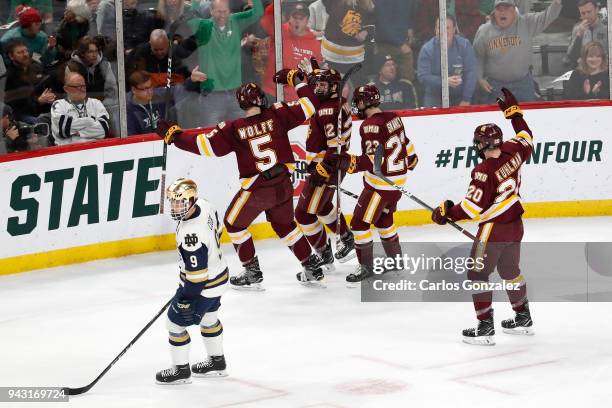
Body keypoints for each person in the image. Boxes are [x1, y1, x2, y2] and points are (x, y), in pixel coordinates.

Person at [156, 70, 325, 290]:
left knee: (234, 224)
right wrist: (297, 81)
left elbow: (203, 145)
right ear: (261, 99)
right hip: (284, 184)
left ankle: (252, 272)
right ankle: (311, 265)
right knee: (285, 225)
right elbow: (310, 104)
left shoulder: (233, 129)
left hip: (257, 189)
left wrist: (175, 136)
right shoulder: (278, 114)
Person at [431, 88, 534, 345]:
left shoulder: (483, 171)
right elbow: (526, 135)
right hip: (515, 225)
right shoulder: (514, 151)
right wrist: (513, 114)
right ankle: (523, 318)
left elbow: (471, 209)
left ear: (480, 145)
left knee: (476, 274)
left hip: (493, 230)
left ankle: (485, 327)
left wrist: (446, 212)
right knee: (510, 271)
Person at [331, 84, 418, 284]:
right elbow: (406, 144)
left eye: (358, 102)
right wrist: (411, 159)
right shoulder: (394, 118)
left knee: (359, 224)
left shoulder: (369, 125)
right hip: (396, 184)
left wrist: (346, 162)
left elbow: (371, 159)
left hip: (379, 186)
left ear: (363, 103)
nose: (357, 106)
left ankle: (366, 267)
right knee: (384, 222)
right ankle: (396, 262)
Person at [156, 178, 229, 385]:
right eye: (173, 202)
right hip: (220, 275)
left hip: (203, 287)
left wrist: (186, 298)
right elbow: (219, 231)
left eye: (180, 202)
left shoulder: (191, 235)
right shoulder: (205, 205)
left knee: (174, 324)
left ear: (191, 200)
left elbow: (197, 277)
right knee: (209, 320)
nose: (175, 207)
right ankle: (217, 362)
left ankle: (180, 371)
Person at [294, 66, 355, 271]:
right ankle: (346, 238)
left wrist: (323, 168)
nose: (318, 88)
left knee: (303, 215)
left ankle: (323, 253)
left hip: (327, 166)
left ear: (334, 88)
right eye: (317, 84)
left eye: (322, 85)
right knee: (322, 206)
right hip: (332, 165)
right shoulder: (334, 103)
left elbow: (334, 146)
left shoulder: (329, 109)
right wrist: (313, 73)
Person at [184, 0, 264, 127]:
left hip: (235, 93)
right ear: (211, 11)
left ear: (230, 10)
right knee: (211, 136)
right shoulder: (203, 26)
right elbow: (187, 18)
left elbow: (258, 12)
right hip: (212, 95)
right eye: (218, 11)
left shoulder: (236, 21)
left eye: (225, 11)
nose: (222, 15)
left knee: (239, 134)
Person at [473, 0, 562, 104]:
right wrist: (479, 78)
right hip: (496, 86)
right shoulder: (484, 31)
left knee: (528, 117)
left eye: (506, 9)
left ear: (514, 11)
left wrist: (557, 3)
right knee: (496, 119)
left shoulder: (527, 23)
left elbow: (547, 16)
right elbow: (477, 56)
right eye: (499, 9)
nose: (503, 13)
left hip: (523, 84)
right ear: (494, 12)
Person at [260, 2, 322, 101]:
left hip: (296, 100)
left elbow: (316, 74)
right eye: (294, 17)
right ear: (289, 18)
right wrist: (278, 2)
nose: (297, 22)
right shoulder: (279, 30)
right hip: (271, 93)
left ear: (307, 21)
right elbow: (266, 19)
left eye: (301, 18)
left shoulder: (315, 45)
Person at [417, 15, 477, 107]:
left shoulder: (464, 45)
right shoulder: (427, 49)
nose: (443, 31)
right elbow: (422, 76)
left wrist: (466, 98)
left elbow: (471, 72)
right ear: (435, 30)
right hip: (434, 96)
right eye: (440, 28)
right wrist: (444, 81)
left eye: (447, 28)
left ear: (454, 30)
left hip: (460, 96)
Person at [320, 0, 375, 84]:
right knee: (328, 89)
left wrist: (366, 32)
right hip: (330, 56)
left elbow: (374, 23)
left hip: (355, 58)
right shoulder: (337, 3)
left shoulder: (370, 5)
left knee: (363, 91)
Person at [4, 40, 56, 124]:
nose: (25, 54)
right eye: (20, 52)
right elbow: (18, 108)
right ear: (11, 56)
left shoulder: (32, 67)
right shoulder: (10, 78)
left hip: (36, 105)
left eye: (26, 51)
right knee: (41, 123)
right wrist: (39, 101)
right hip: (20, 114)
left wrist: (47, 97)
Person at [51, 72, 110, 145]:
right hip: (68, 152)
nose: (82, 89)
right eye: (77, 87)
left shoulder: (96, 103)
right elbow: (64, 129)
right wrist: (90, 121)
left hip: (94, 149)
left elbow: (104, 129)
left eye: (83, 86)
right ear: (66, 89)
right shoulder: (58, 105)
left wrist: (79, 133)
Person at [126, 29, 190, 89]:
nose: (159, 53)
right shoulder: (140, 51)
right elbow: (128, 71)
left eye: (161, 49)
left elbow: (186, 74)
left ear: (168, 44)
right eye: (155, 50)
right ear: (150, 44)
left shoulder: (177, 52)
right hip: (146, 90)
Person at [373, 0, 417, 82]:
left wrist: (410, 28)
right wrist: (400, 44)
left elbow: (411, 12)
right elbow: (380, 22)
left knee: (406, 83)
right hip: (385, 43)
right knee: (385, 80)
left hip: (402, 40)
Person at [564, 0, 608, 69]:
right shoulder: (577, 28)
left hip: (604, 69)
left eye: (589, 12)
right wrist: (579, 35)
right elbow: (571, 57)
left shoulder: (606, 28)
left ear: (597, 10)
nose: (586, 16)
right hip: (584, 70)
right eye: (583, 13)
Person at [127, 70, 165, 135]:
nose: (150, 91)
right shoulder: (128, 112)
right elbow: (132, 140)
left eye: (150, 87)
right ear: (134, 90)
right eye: (145, 89)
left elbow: (177, 91)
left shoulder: (157, 97)